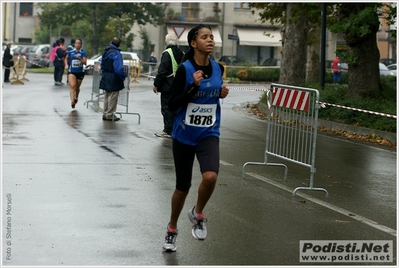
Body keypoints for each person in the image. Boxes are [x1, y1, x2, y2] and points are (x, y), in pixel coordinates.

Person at [162, 24, 229, 252]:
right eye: (205, 37)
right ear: (194, 43)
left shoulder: (218, 68)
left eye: (211, 37)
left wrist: (221, 92)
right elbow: (172, 104)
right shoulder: (185, 69)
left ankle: (197, 213)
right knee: (182, 187)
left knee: (210, 176)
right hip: (183, 135)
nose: (210, 40)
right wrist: (192, 87)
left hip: (209, 132)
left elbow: (215, 91)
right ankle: (172, 229)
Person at [153, 33, 184, 138]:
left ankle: (167, 130)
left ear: (167, 41)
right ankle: (175, 129)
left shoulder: (167, 53)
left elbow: (162, 71)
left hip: (168, 86)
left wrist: (156, 84)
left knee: (166, 108)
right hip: (178, 86)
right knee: (176, 109)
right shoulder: (181, 53)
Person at [99, 37, 126, 121]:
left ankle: (105, 112)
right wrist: (122, 77)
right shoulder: (116, 53)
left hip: (106, 75)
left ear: (111, 42)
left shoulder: (105, 51)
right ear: (119, 44)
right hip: (114, 76)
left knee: (107, 95)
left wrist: (104, 73)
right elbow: (118, 68)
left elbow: (102, 64)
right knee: (113, 96)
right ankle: (110, 114)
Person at [64, 39, 87, 108]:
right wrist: (66, 65)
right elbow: (66, 58)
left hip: (80, 72)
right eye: (76, 43)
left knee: (77, 87)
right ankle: (72, 101)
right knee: (72, 86)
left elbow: (85, 62)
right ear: (74, 44)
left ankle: (76, 97)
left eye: (79, 43)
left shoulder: (83, 52)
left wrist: (79, 58)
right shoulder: (71, 52)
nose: (77, 44)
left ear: (81, 45)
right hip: (72, 72)